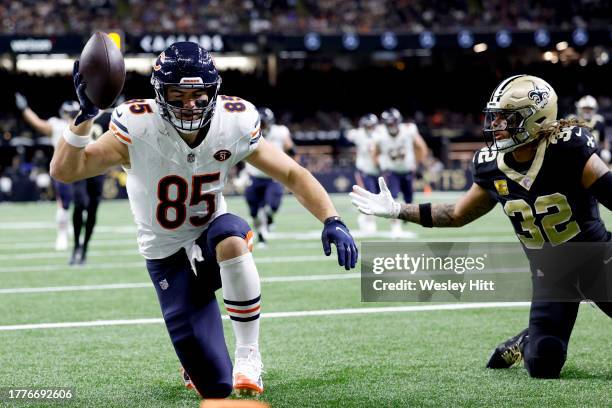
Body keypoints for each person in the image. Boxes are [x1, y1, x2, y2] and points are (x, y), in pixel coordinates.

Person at [50, 42, 358, 399]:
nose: (189, 104)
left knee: (230, 233)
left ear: (214, 90)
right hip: (166, 257)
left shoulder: (235, 121)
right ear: (159, 94)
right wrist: (84, 116)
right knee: (215, 386)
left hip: (209, 237)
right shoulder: (136, 124)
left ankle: (249, 355)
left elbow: (291, 173)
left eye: (198, 94)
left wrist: (331, 218)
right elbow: (65, 171)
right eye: (177, 95)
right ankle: (198, 362)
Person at [350, 74, 612, 379]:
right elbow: (457, 213)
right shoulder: (491, 165)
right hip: (551, 274)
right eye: (496, 117)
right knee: (543, 364)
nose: (496, 125)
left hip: (597, 262)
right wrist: (398, 210)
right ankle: (527, 339)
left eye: (506, 118)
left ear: (535, 117)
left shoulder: (569, 149)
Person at [15, 93, 80, 250]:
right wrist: (25, 109)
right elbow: (38, 124)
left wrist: (25, 109)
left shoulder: (84, 122)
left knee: (80, 203)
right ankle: (62, 234)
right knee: (64, 203)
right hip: (65, 169)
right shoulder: (58, 125)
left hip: (82, 168)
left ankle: (71, 232)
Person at [241, 107, 295, 245]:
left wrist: (289, 169)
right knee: (254, 213)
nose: (262, 126)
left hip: (273, 176)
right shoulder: (249, 132)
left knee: (271, 207)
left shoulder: (280, 132)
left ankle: (269, 219)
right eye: (260, 123)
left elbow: (291, 149)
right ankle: (261, 236)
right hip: (253, 176)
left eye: (264, 123)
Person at [372, 108, 428, 238]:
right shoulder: (380, 134)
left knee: (409, 199)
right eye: (388, 123)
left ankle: (403, 217)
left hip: (407, 169)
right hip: (391, 171)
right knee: (393, 196)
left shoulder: (408, 130)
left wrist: (418, 163)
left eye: (393, 122)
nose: (391, 126)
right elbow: (374, 152)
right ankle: (395, 226)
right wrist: (379, 166)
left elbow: (421, 146)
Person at [69, 106, 112, 265]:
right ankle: (75, 246)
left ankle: (85, 248)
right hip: (79, 166)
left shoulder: (109, 114)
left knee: (93, 209)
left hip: (98, 168)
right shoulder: (79, 109)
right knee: (80, 204)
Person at [345, 113, 381, 233]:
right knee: (368, 196)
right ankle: (368, 220)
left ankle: (364, 217)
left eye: (371, 125)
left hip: (378, 170)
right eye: (367, 125)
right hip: (364, 169)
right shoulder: (359, 134)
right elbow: (347, 135)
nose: (369, 128)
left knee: (377, 196)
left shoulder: (380, 134)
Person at [574, 95, 609, 163]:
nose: (587, 111)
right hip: (578, 152)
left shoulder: (598, 121)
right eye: (585, 108)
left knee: (605, 155)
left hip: (595, 153)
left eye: (590, 108)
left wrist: (606, 150)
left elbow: (603, 140)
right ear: (580, 108)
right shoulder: (573, 121)